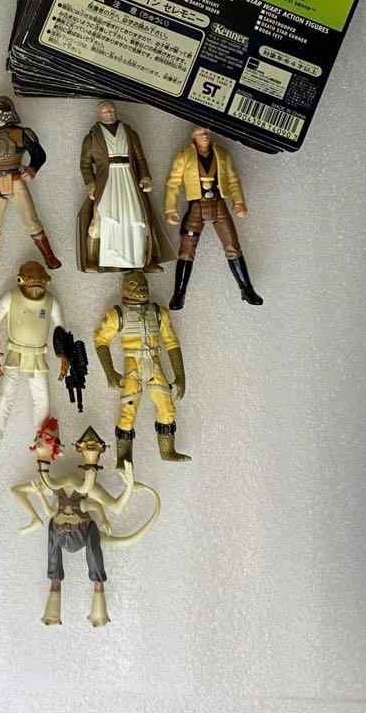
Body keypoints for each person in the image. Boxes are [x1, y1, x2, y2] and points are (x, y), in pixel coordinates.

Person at [11, 422, 158, 627]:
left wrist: (129, 486)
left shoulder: (82, 490)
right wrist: (36, 516)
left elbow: (115, 507)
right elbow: (19, 492)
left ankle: (98, 594)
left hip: (85, 533)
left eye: (94, 446)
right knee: (53, 537)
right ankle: (55, 595)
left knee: (92, 548)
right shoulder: (56, 488)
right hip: (59, 533)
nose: (91, 445)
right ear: (79, 448)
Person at [93, 271, 190, 468]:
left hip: (154, 362)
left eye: (143, 284)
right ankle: (123, 456)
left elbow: (171, 343)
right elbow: (101, 341)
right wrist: (109, 371)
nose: (141, 288)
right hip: (132, 366)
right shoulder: (117, 315)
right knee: (128, 410)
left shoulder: (159, 313)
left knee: (167, 407)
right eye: (133, 285)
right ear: (124, 287)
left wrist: (180, 375)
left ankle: (167, 450)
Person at [165, 125, 263, 309]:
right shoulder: (184, 156)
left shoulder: (222, 154)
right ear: (193, 136)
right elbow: (173, 183)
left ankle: (247, 289)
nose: (204, 135)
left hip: (219, 204)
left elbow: (233, 180)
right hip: (196, 205)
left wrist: (239, 202)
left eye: (207, 132)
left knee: (232, 246)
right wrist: (170, 209)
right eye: (200, 133)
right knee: (186, 250)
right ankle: (179, 294)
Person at [76, 101, 174, 273]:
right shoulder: (91, 138)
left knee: (140, 219)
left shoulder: (130, 133)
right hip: (106, 182)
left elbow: (140, 158)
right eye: (105, 110)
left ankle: (146, 259)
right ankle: (92, 259)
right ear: (99, 114)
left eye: (111, 109)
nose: (109, 112)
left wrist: (145, 177)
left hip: (129, 180)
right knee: (100, 219)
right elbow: (85, 165)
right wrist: (91, 184)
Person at [0, 96, 60, 274]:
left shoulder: (22, 133)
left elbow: (39, 154)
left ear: (9, 111)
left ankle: (49, 257)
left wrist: (32, 169)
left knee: (31, 220)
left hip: (17, 179)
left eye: (0, 109)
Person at [0, 262, 67, 450]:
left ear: (46, 281)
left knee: (43, 400)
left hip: (38, 355)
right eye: (31, 280)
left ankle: (45, 440)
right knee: (5, 396)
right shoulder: (11, 296)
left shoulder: (51, 301)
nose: (36, 286)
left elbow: (60, 328)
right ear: (21, 280)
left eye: (40, 282)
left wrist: (63, 354)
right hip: (15, 353)